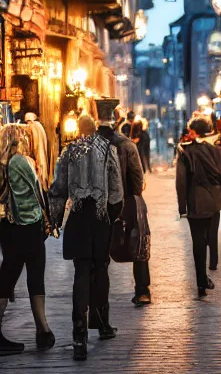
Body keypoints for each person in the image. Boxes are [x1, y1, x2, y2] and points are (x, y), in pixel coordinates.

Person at [49, 127, 123, 361]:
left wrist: (56, 220)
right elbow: (116, 191)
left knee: (81, 272)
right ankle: (102, 324)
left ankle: (78, 334)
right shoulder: (108, 150)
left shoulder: (69, 151)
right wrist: (111, 215)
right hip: (100, 218)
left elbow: (58, 189)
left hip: (79, 217)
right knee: (100, 268)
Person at [0, 124, 54, 355]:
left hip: (7, 228)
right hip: (28, 227)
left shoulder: (2, 164)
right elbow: (36, 191)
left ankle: (42, 330)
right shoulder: (20, 161)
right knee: (35, 274)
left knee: (7, 276)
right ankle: (43, 329)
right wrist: (47, 219)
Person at [96, 99, 151, 307]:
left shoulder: (88, 145)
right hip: (126, 202)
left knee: (98, 254)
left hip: (98, 205)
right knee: (139, 244)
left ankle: (99, 299)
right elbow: (137, 179)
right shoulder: (126, 145)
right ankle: (143, 290)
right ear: (116, 120)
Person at [176, 117, 221, 297]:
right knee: (212, 234)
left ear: (194, 132)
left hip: (195, 203)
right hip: (214, 202)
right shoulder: (220, 151)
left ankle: (201, 280)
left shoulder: (186, 153)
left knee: (198, 242)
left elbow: (181, 182)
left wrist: (182, 207)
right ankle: (212, 265)